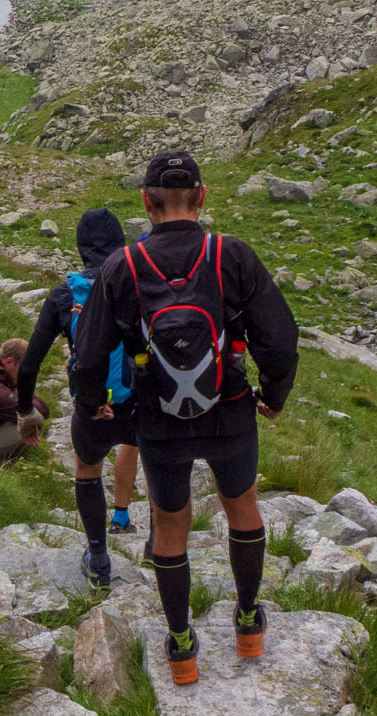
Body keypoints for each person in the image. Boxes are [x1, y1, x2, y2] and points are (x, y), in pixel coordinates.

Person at [73, 150, 298, 686]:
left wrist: (91, 401)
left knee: (170, 524)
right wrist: (274, 394)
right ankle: (247, 622)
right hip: (230, 410)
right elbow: (281, 338)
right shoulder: (232, 256)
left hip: (158, 418)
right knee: (241, 507)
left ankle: (180, 648)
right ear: (202, 197)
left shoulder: (121, 267)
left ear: (146, 204)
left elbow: (87, 353)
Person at [15, 208, 141, 591]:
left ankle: (99, 557)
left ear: (80, 248)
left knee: (88, 468)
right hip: (139, 401)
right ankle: (158, 547)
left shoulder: (65, 295)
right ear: (122, 242)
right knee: (154, 460)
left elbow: (29, 366)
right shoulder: (141, 284)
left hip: (93, 406)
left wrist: (25, 412)